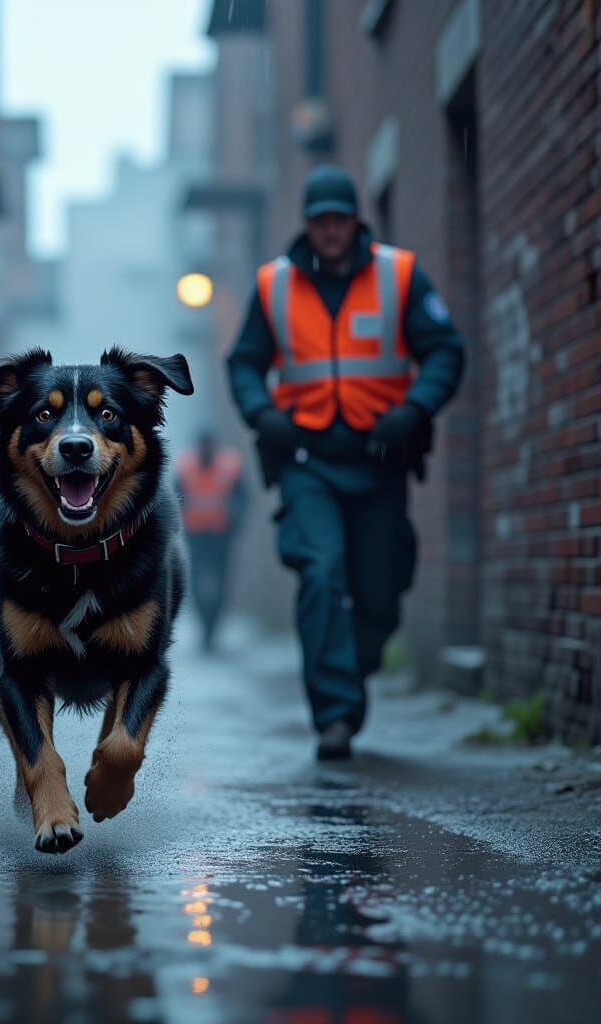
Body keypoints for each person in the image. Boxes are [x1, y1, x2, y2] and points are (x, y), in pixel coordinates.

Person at [226, 165, 464, 759]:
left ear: (357, 220)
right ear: (307, 224)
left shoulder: (399, 276)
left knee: (379, 593)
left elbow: (445, 351)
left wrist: (413, 410)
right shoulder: (274, 285)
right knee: (322, 573)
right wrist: (264, 414)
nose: (330, 231)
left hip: (381, 457)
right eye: (319, 221)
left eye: (340, 219)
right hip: (307, 459)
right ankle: (334, 715)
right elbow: (243, 363)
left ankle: (350, 671)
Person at [176, 430, 246, 652]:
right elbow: (175, 499)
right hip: (196, 534)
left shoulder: (230, 466)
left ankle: (213, 630)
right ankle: (205, 629)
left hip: (221, 535)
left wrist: (234, 526)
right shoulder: (185, 467)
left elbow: (243, 499)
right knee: (197, 581)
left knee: (222, 581)